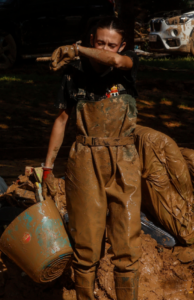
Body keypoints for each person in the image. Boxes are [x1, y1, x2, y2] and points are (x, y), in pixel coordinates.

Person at [44, 17, 141, 300]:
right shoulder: (74, 74)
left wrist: (76, 49)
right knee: (86, 246)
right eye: (100, 42)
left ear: (122, 46)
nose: (107, 49)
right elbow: (61, 121)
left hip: (124, 159)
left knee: (127, 247)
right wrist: (47, 167)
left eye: (113, 44)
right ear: (91, 39)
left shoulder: (129, 64)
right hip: (85, 159)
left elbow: (118, 62)